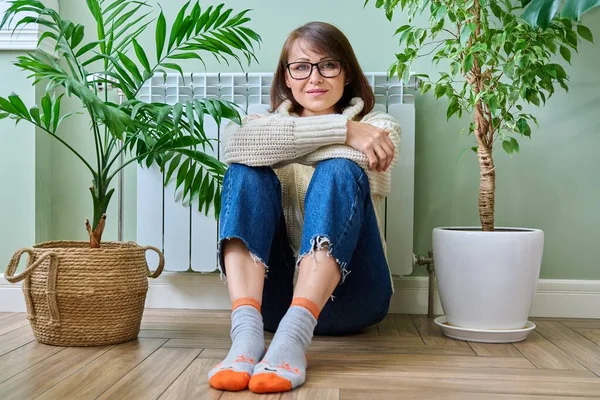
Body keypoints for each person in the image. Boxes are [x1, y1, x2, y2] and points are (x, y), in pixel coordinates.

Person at [208, 21, 402, 394]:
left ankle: (295, 338)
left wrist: (283, 145)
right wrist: (345, 132)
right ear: (287, 77)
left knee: (340, 169)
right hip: (272, 304)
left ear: (347, 73)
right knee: (246, 170)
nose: (315, 77)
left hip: (354, 299)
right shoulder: (261, 124)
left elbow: (359, 164)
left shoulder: (378, 126)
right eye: (301, 66)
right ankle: (245, 337)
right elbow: (235, 148)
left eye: (328, 65)